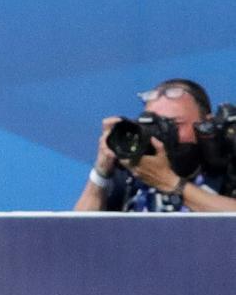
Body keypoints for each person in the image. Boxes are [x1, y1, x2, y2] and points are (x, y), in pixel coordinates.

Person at [74, 79, 236, 213]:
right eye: (154, 124)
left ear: (205, 125)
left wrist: (171, 183)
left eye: (173, 124)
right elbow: (76, 236)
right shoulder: (135, 167)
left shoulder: (228, 162)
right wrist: (101, 172)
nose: (161, 135)